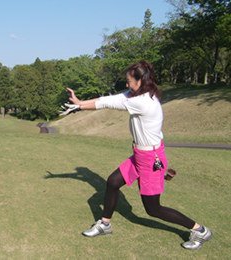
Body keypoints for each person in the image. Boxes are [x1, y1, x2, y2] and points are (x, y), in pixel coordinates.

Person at [61, 61, 212, 250]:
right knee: (113, 181)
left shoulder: (143, 102)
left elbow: (110, 103)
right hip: (140, 154)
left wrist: (80, 107)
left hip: (151, 159)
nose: (126, 84)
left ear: (140, 81)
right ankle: (105, 224)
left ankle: (199, 230)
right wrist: (80, 103)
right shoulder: (138, 94)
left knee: (153, 209)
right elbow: (110, 98)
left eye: (129, 81)